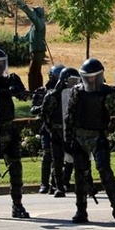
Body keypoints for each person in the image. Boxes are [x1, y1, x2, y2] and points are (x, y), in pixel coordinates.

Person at [65, 58, 115, 224]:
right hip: (79, 136)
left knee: (105, 173)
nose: (91, 80)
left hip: (98, 135)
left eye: (94, 77)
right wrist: (68, 139)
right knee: (80, 175)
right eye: (88, 77)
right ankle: (81, 211)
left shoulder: (108, 93)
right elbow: (70, 115)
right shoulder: (77, 91)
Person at [0, 48, 31, 219]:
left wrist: (19, 91)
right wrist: (5, 91)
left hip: (9, 129)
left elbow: (24, 96)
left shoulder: (12, 79)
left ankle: (17, 205)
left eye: (0, 63)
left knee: (16, 168)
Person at [40, 66, 81, 199]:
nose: (74, 83)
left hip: (72, 132)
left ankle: (84, 184)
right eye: (71, 80)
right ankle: (58, 186)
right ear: (64, 80)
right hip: (57, 132)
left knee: (78, 158)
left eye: (76, 80)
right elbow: (45, 115)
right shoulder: (52, 96)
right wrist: (51, 129)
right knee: (57, 160)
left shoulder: (78, 94)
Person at [32, 65, 63, 194]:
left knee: (60, 157)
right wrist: (43, 107)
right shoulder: (42, 91)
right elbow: (33, 109)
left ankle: (56, 183)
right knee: (48, 155)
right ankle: (44, 183)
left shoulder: (63, 92)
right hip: (47, 127)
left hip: (60, 127)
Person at [15, 1, 48, 91]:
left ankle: (33, 92)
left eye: (35, 11)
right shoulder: (34, 26)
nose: (33, 13)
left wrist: (24, 7)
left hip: (38, 52)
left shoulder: (39, 23)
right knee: (36, 72)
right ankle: (38, 90)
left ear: (38, 14)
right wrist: (18, 39)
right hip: (35, 52)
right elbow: (27, 38)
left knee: (32, 73)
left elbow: (31, 16)